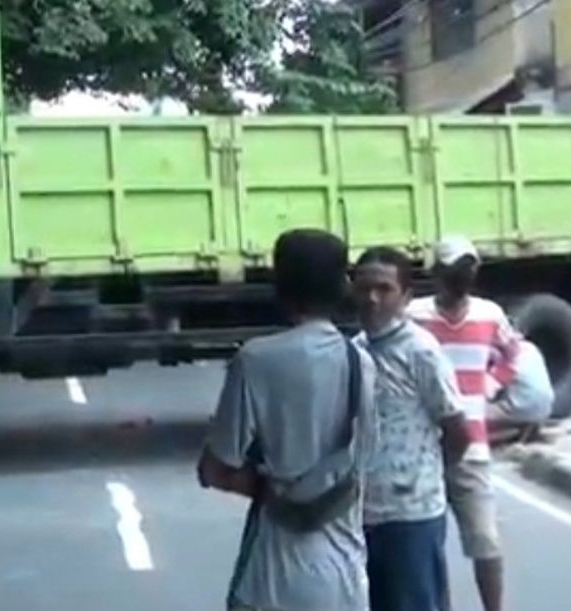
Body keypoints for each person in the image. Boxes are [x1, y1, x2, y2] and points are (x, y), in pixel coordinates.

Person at [198, 229, 376, 611]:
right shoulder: (361, 362)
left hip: (271, 584)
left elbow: (216, 469)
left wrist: (271, 488)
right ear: (341, 286)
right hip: (344, 580)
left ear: (280, 285)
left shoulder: (256, 359)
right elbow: (364, 463)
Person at [353, 246, 470, 611]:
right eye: (365, 287)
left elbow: (456, 428)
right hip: (359, 512)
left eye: (385, 289)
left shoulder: (421, 351)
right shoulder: (353, 351)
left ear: (405, 297)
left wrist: (429, 476)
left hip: (411, 514)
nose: (373, 298)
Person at [407, 236, 518, 611]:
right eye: (455, 268)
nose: (462, 276)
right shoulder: (415, 316)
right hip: (424, 450)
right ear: (437, 272)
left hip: (472, 447)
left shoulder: (490, 315)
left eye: (468, 268)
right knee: (428, 546)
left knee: (485, 540)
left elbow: (512, 355)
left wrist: (488, 384)